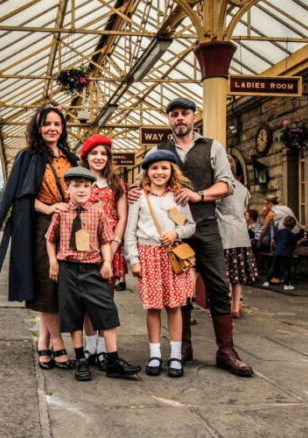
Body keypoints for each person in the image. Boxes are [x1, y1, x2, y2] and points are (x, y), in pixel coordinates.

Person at [128, 97, 253, 377]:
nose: (179, 119)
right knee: (179, 292)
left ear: (194, 117)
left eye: (184, 113)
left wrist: (200, 195)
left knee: (218, 286)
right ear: (169, 119)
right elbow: (142, 183)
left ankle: (226, 351)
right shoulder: (159, 150)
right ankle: (181, 347)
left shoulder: (211, 147)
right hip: (171, 234)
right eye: (174, 114)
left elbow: (227, 184)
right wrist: (133, 192)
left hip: (206, 225)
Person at [0, 102, 78, 371]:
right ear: (38, 128)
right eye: (47, 124)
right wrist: (50, 208)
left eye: (57, 124)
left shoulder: (70, 159)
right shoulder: (27, 156)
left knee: (63, 288)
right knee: (48, 287)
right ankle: (58, 345)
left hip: (70, 228)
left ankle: (43, 342)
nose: (52, 128)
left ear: (63, 129)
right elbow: (22, 197)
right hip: (42, 227)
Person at [46, 166, 141, 381]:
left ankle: (113, 360)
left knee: (107, 312)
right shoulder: (61, 212)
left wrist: (107, 261)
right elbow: (50, 238)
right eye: (76, 186)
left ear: (91, 189)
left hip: (92, 269)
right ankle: (81, 360)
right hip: (68, 270)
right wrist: (53, 262)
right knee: (73, 315)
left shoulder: (98, 211)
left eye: (86, 186)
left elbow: (105, 239)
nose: (81, 190)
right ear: (67, 188)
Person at [124, 150, 195, 378]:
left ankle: (175, 355)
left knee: (174, 306)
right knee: (153, 307)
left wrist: (176, 233)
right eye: (154, 168)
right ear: (147, 171)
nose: (159, 172)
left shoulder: (178, 197)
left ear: (172, 170)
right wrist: (134, 260)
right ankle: (154, 354)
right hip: (148, 256)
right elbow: (130, 232)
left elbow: (190, 226)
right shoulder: (139, 197)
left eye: (164, 168)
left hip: (172, 256)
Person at [79, 134, 128, 368]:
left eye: (103, 154)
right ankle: (92, 347)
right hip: (85, 249)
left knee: (105, 300)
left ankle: (102, 346)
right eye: (94, 153)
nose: (99, 158)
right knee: (86, 300)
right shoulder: (80, 181)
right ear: (86, 156)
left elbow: (122, 215)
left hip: (111, 248)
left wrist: (115, 243)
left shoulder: (117, 183)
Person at [216, 156, 258, 319]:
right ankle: (235, 307)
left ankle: (222, 305)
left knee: (221, 274)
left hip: (223, 233)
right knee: (237, 275)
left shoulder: (220, 187)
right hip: (241, 235)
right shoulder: (242, 188)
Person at [263, 216, 298, 290]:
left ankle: (266, 281)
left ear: (284, 223)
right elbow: (295, 244)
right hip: (286, 253)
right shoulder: (292, 234)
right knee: (286, 269)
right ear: (293, 226)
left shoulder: (279, 232)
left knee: (273, 267)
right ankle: (286, 285)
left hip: (277, 252)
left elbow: (273, 241)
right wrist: (301, 241)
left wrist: (272, 248)